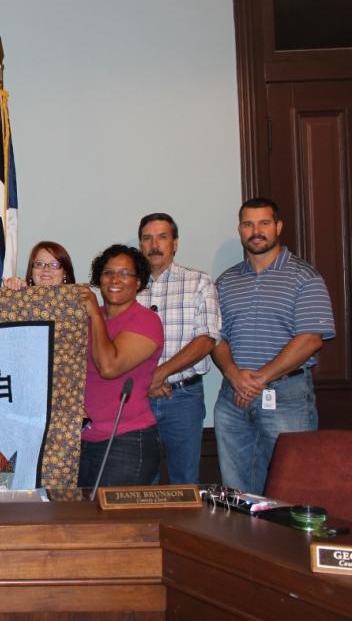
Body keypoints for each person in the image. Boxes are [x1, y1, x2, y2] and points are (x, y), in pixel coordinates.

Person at [212, 197, 334, 494]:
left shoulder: (305, 276)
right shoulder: (226, 281)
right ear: (240, 230)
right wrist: (234, 375)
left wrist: (259, 379)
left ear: (278, 226)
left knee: (292, 489)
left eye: (264, 223)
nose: (256, 230)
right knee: (237, 495)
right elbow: (215, 337)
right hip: (233, 399)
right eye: (248, 224)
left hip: (286, 398)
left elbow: (311, 338)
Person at [135, 213, 220, 485]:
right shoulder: (127, 286)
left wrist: (160, 373)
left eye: (162, 237)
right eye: (147, 238)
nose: (154, 244)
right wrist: (147, 380)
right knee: (142, 480)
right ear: (140, 245)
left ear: (175, 244)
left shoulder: (199, 282)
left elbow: (206, 339)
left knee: (185, 481)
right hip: (139, 398)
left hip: (183, 398)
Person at [77, 244, 164, 488]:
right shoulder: (85, 318)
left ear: (139, 282)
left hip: (125, 440)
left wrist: (95, 315)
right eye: (108, 273)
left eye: (125, 273)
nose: (115, 279)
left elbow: (109, 367)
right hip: (81, 441)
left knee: (113, 523)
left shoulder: (146, 321)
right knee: (81, 521)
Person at [3, 241, 77, 290]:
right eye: (39, 264)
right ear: (31, 272)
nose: (46, 269)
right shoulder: (20, 301)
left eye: (54, 264)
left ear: (64, 272)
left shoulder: (79, 302)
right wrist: (12, 291)